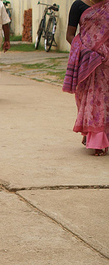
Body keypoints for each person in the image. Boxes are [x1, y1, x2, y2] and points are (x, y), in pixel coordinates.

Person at [63, 0, 108, 156]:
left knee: (102, 99)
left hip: (106, 60)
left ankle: (98, 139)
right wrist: (83, 51)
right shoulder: (78, 5)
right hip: (87, 60)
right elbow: (69, 35)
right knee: (88, 98)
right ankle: (92, 135)